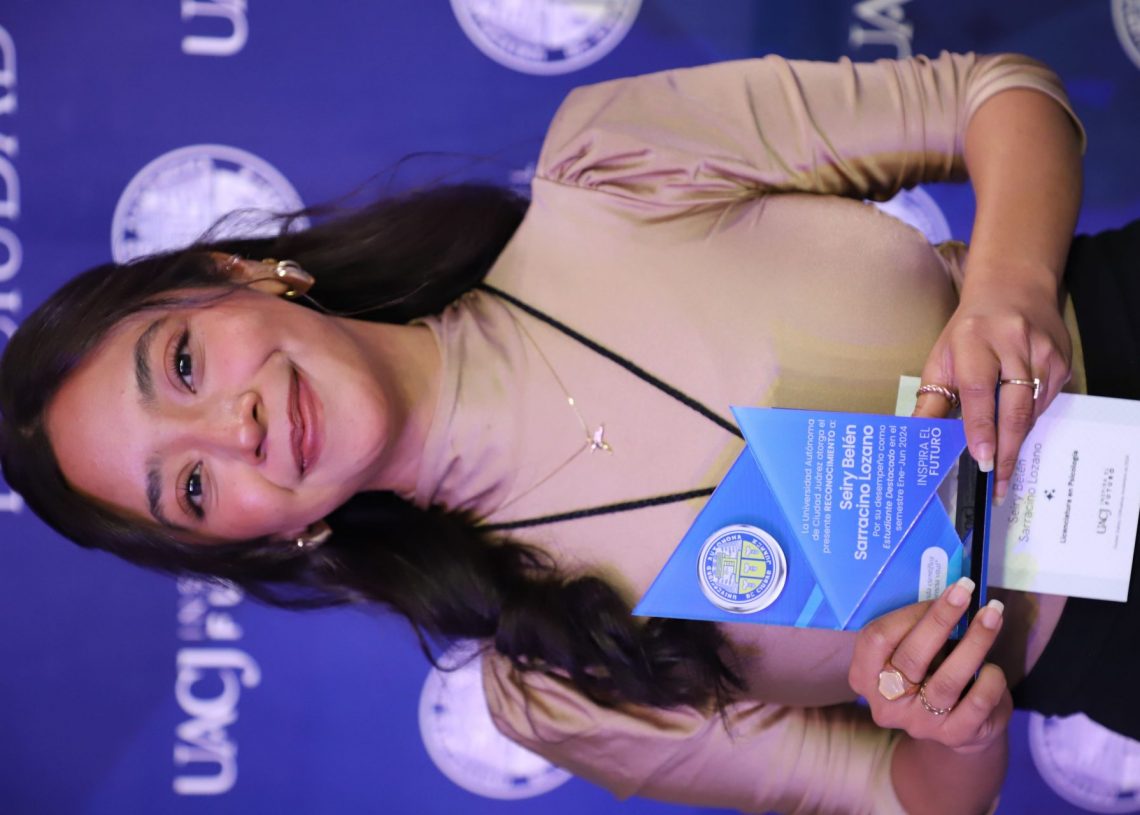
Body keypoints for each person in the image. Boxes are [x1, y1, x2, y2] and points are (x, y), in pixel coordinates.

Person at [1, 49, 1123, 814]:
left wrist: (1008, 287)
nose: (232, 428)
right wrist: (947, 719)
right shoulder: (555, 688)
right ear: (254, 539)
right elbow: (907, 800)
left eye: (182, 364)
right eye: (191, 488)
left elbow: (994, 93)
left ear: (240, 273)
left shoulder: (608, 163)